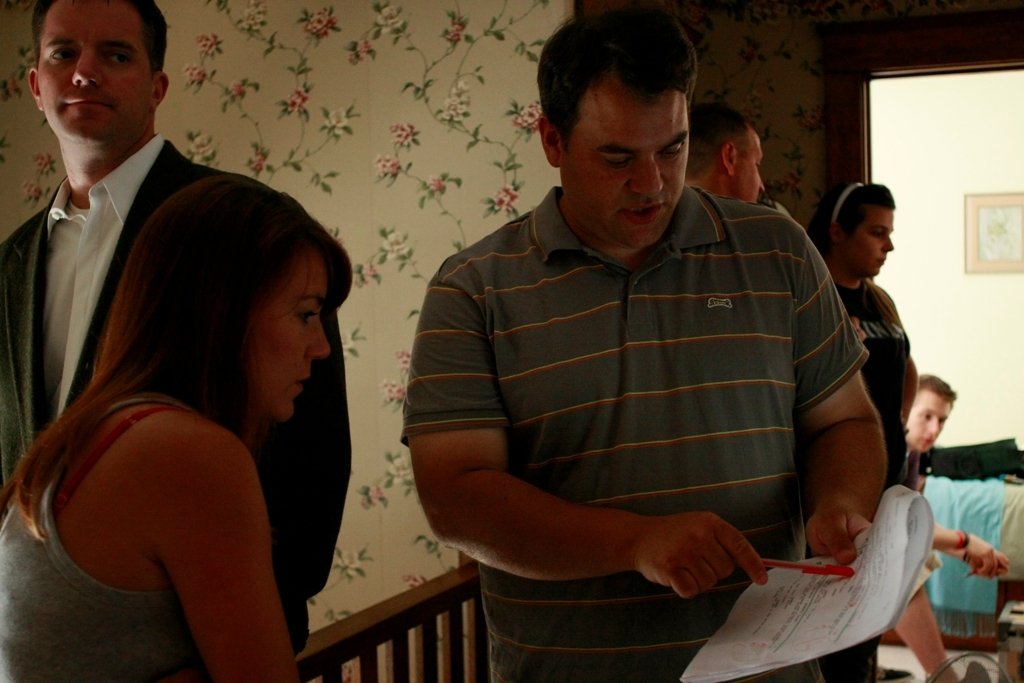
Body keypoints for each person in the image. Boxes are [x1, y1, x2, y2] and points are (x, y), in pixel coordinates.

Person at [403, 7, 887, 681]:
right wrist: (635, 541)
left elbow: (846, 420)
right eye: (618, 157)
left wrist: (841, 502)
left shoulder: (777, 250)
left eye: (672, 148)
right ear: (551, 139)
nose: (653, 184)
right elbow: (454, 497)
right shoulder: (473, 291)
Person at [0, 0, 352, 650]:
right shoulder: (8, 266)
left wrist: (232, 641)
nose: (84, 73)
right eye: (62, 54)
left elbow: (311, 464)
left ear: (157, 85)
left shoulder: (248, 229)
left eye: (115, 54)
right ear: (34, 84)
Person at [0, 175, 352, 680]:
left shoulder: (102, 429)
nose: (320, 348)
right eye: (305, 314)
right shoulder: (187, 453)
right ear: (223, 310)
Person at [808, 182, 919, 682]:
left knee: (866, 633)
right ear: (837, 231)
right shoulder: (812, 300)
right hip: (833, 502)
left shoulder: (880, 303)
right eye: (877, 232)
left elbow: (907, 367)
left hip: (889, 493)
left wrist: (896, 428)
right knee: (828, 640)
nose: (888, 245)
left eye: (889, 233)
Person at [891, 374, 1010, 678]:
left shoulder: (913, 457)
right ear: (906, 408)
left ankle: (942, 675)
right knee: (904, 565)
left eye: (941, 421)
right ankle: (944, 675)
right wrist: (965, 541)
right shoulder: (888, 449)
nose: (934, 429)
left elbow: (912, 526)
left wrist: (967, 552)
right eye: (926, 416)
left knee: (913, 556)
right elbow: (895, 527)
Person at [685, 101, 765, 203]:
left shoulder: (663, 216)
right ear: (729, 157)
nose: (761, 187)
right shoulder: (771, 218)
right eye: (756, 164)